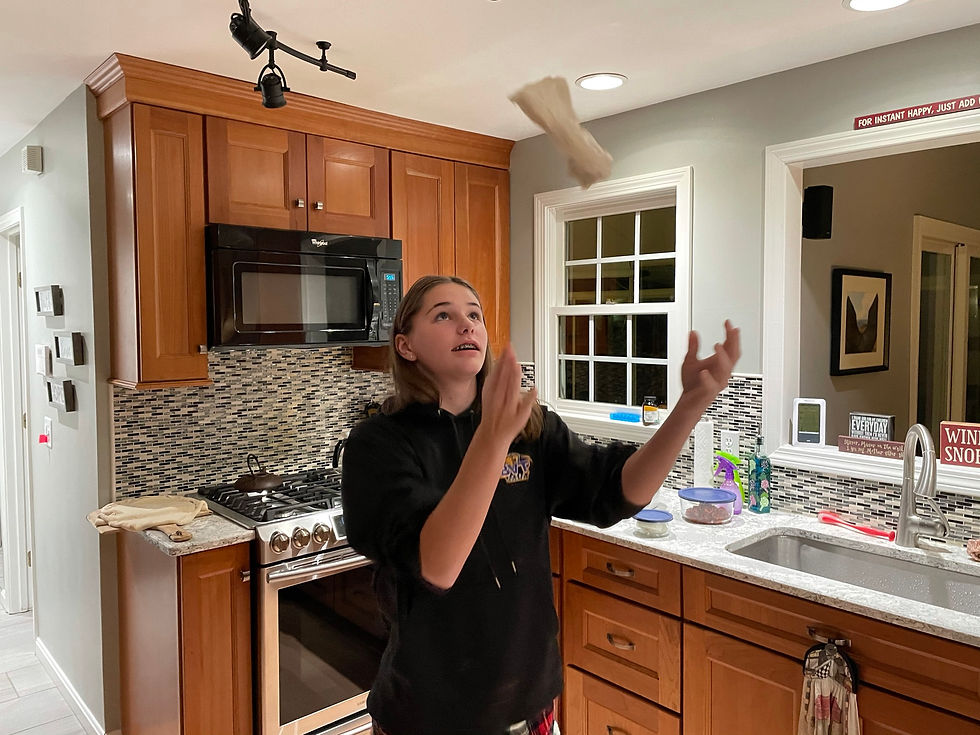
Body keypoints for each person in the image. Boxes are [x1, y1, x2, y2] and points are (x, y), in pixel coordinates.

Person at [341, 275, 739, 735]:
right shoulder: (379, 444)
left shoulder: (530, 428)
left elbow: (619, 491)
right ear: (406, 346)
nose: (466, 325)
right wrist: (493, 437)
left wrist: (690, 405)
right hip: (430, 711)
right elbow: (438, 566)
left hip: (531, 702)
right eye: (443, 315)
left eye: (474, 315)